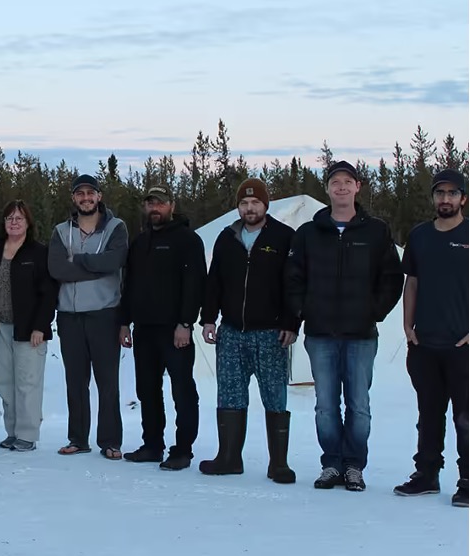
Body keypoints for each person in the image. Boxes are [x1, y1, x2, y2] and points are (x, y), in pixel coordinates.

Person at [285, 160, 403, 491]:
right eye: (335, 182)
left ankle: (354, 465)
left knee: (358, 405)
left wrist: (373, 312)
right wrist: (302, 311)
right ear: (327, 189)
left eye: (347, 181)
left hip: (361, 334)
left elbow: (391, 278)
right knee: (325, 405)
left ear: (357, 187)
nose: (341, 187)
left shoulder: (376, 231)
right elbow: (293, 278)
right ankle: (332, 464)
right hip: (321, 333)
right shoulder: (309, 233)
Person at [198, 178, 298, 483]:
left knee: (274, 396)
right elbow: (214, 280)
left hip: (270, 332)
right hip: (231, 332)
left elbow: (293, 285)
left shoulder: (284, 237)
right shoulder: (227, 238)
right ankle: (228, 457)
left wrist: (292, 323)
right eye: (244, 203)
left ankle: (278, 463)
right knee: (229, 394)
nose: (249, 208)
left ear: (266, 205)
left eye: (255, 203)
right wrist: (208, 318)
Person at [393, 169, 468, 507]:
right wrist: (408, 327)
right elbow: (412, 282)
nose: (446, 199)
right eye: (441, 193)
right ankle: (427, 474)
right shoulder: (420, 236)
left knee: (465, 415)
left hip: (462, 344)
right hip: (424, 343)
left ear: (463, 198)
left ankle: (467, 479)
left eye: (453, 193)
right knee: (429, 412)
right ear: (434, 198)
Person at [119, 184, 206, 470]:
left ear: (171, 205)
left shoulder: (188, 240)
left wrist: (185, 323)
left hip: (175, 330)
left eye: (160, 203)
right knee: (147, 389)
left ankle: (182, 449)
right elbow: (129, 286)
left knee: (182, 390)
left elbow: (195, 285)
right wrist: (124, 322)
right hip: (144, 329)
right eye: (150, 203)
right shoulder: (140, 242)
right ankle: (153, 444)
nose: (155, 208)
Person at [49, 174, 128, 460]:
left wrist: (79, 261)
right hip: (69, 316)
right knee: (75, 380)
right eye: (79, 194)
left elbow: (113, 262)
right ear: (73, 198)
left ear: (99, 196)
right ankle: (78, 438)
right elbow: (57, 269)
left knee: (107, 381)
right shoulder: (61, 231)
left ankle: (110, 441)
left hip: (104, 313)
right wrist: (95, 266)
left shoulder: (116, 228)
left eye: (90, 193)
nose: (85, 198)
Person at [0, 200, 58, 452]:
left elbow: (48, 292)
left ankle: (27, 434)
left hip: (29, 330)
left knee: (27, 382)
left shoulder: (38, 252)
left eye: (19, 218)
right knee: (5, 382)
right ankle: (12, 431)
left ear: (28, 222)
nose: (14, 222)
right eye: (10, 218)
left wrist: (40, 326)